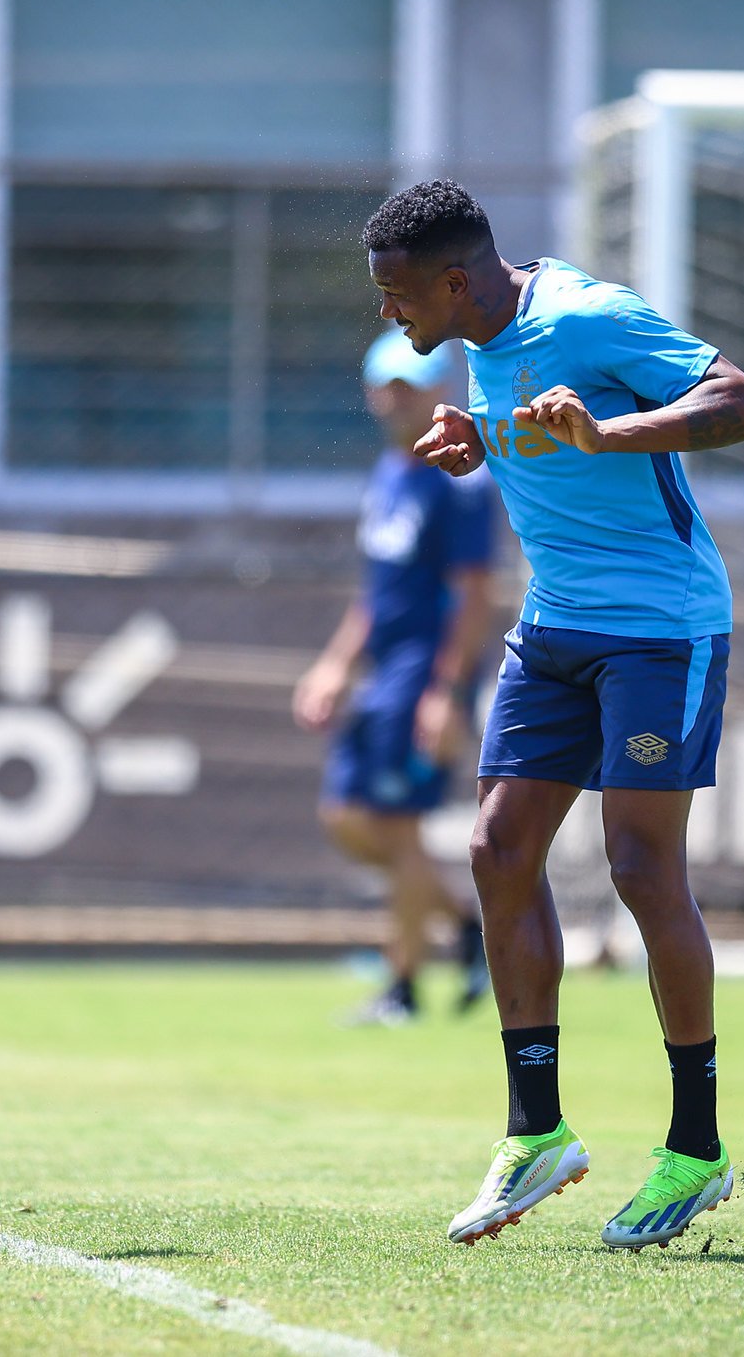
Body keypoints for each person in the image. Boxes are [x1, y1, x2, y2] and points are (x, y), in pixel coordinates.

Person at [360, 180, 744, 1249]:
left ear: (453, 281)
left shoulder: (586, 316)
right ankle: (535, 1132)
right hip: (553, 632)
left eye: (396, 293)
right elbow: (536, 423)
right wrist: (481, 436)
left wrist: (607, 433)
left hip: (658, 629)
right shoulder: (475, 342)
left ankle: (694, 1150)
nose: (387, 313)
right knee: (498, 851)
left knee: (640, 869)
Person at [294, 329, 497, 1026]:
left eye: (407, 387)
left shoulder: (458, 477)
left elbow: (474, 594)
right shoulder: (389, 474)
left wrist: (444, 692)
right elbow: (374, 595)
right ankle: (471, 931)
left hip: (421, 678)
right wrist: (335, 664)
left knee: (397, 830)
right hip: (383, 676)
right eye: (386, 385)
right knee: (347, 820)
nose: (393, 399)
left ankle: (402, 988)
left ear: (438, 387)